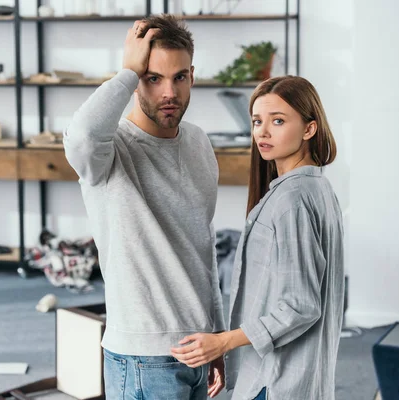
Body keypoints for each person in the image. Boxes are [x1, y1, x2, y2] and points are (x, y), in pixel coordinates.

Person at [63, 14, 226, 400]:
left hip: (196, 348)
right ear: (136, 80)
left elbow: (204, 249)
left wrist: (217, 335)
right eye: (153, 78)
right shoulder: (109, 150)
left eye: (179, 77)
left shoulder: (199, 143)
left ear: (192, 75)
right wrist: (126, 71)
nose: (169, 91)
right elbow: (81, 137)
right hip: (142, 358)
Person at [171, 76, 344, 400]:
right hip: (295, 377)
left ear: (309, 129)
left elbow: (301, 305)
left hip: (276, 381)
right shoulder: (317, 189)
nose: (262, 132)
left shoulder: (291, 200)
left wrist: (223, 342)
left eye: (278, 121)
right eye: (257, 121)